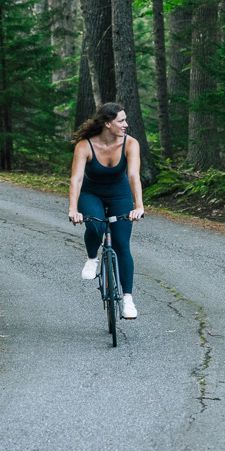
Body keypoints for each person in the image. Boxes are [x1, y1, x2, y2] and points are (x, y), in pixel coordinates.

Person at [68, 102, 146, 319]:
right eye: (121, 121)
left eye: (125, 120)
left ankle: (128, 300)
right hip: (91, 193)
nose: (126, 124)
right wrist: (73, 209)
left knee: (122, 244)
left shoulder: (130, 144)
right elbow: (76, 178)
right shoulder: (85, 145)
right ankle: (92, 257)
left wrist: (138, 206)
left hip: (120, 194)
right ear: (107, 123)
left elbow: (133, 176)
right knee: (97, 224)